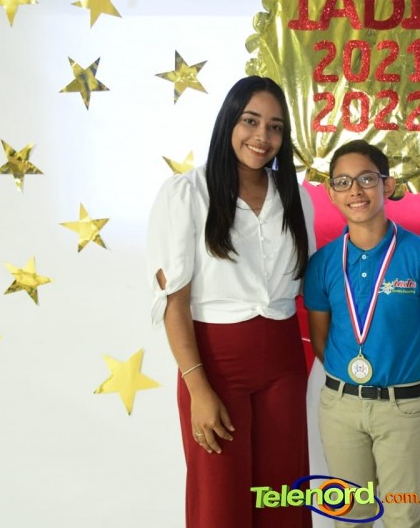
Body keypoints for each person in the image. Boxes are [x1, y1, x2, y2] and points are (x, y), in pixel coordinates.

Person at [146, 75, 314, 528]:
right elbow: (174, 302)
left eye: (275, 127)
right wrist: (198, 389)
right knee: (220, 506)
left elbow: (308, 286)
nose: (262, 137)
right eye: (251, 121)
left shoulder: (295, 198)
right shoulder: (186, 193)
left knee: (282, 502)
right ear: (228, 123)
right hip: (215, 367)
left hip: (284, 365)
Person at [303, 140, 420, 527]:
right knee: (350, 517)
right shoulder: (323, 263)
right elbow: (321, 340)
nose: (355, 190)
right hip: (341, 408)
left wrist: (414, 390)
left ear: (387, 185)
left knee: (403, 516)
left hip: (402, 408)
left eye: (366, 179)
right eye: (343, 182)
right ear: (332, 193)